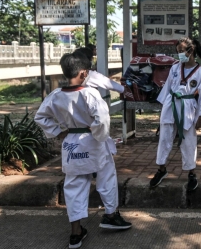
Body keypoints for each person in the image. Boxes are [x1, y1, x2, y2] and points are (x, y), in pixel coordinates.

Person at [34, 52, 131, 249]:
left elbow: (40, 117)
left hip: (71, 143)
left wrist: (58, 133)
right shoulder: (90, 94)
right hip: (93, 142)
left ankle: (76, 233)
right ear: (83, 73)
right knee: (106, 178)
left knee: (74, 186)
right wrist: (99, 136)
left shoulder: (56, 95)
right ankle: (110, 216)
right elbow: (102, 120)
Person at [149, 38, 201, 191]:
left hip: (187, 106)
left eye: (182, 51)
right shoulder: (175, 68)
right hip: (171, 104)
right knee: (164, 138)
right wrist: (162, 113)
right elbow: (168, 87)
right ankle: (161, 169)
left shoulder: (200, 72)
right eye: (178, 51)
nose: (180, 54)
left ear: (191, 50)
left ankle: (191, 173)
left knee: (189, 142)